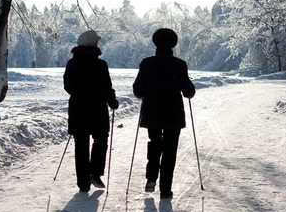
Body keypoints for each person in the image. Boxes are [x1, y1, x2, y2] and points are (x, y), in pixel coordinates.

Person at [133, 28, 196, 199]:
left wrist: (147, 92)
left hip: (152, 111)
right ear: (173, 44)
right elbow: (188, 92)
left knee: (154, 143)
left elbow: (137, 90)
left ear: (156, 44)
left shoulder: (146, 63)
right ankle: (166, 189)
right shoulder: (179, 64)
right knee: (170, 149)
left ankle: (151, 178)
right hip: (173, 113)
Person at [63, 30, 119, 193]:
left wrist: (80, 94)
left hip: (78, 108)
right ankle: (94, 172)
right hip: (97, 108)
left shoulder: (71, 63)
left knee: (81, 144)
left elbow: (68, 86)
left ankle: (83, 182)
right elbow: (107, 87)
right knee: (101, 139)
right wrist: (112, 101)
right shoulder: (101, 64)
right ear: (93, 45)